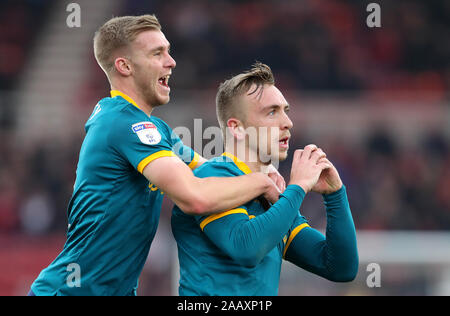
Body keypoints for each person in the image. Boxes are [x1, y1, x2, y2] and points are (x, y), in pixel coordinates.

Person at [29, 15, 281, 296]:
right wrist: (262, 183)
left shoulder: (152, 129)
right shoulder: (124, 124)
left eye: (168, 51)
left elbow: (211, 171)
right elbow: (195, 197)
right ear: (124, 66)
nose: (171, 62)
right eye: (157, 53)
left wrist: (261, 168)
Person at [171, 62, 359, 295]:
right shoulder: (211, 178)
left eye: (285, 111)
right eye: (272, 112)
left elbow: (341, 267)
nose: (287, 123)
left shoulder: (273, 197)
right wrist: (298, 187)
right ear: (237, 128)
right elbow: (246, 248)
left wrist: (335, 194)